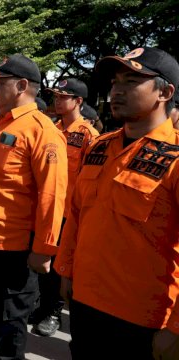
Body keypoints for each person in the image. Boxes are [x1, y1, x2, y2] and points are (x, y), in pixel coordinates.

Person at [55, 47, 179, 360]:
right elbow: (77, 214)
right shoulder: (99, 146)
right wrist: (66, 271)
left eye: (131, 81)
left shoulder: (175, 158)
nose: (116, 91)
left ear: (165, 92)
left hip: (142, 322)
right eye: (115, 82)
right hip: (85, 305)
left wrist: (176, 328)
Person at [0, 54, 68, 359]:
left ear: (22, 85)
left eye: (0, 84)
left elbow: (52, 195)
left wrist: (44, 249)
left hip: (12, 253)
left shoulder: (42, 131)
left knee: (6, 335)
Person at [27, 78, 99, 336]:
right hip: (48, 209)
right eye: (55, 96)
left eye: (63, 96)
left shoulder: (89, 136)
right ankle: (42, 306)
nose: (57, 101)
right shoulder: (52, 129)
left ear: (78, 101)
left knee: (60, 268)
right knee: (43, 265)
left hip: (70, 214)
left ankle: (54, 313)